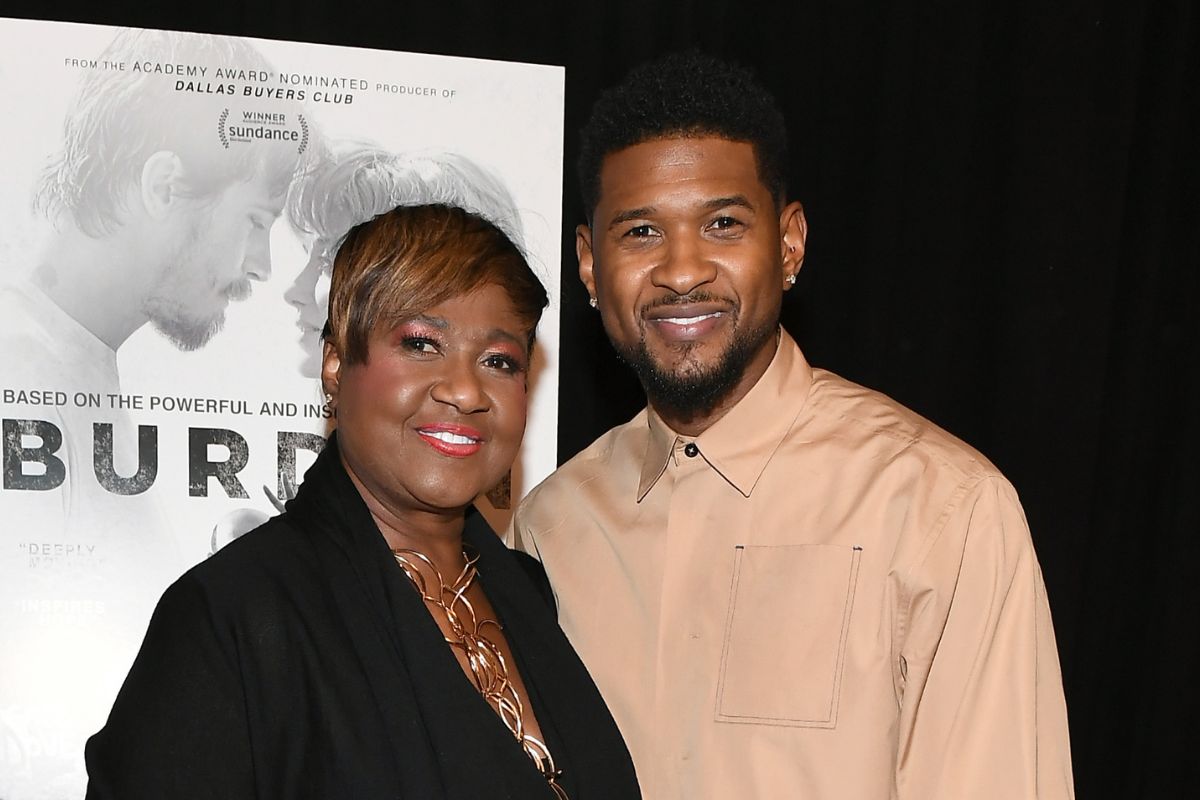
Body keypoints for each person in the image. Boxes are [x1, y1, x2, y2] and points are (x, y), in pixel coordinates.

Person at [512, 51, 1074, 799]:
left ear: (789, 244)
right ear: (588, 265)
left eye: (721, 224)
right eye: (641, 232)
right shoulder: (549, 529)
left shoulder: (942, 510)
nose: (682, 271)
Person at [85, 204, 641, 799]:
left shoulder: (527, 591)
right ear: (334, 363)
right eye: (423, 344)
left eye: (499, 361)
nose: (465, 390)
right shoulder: (234, 616)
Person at [0, 29, 311, 798]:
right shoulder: (20, 365)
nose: (262, 267)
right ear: (164, 184)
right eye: (254, 220)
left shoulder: (70, 365)